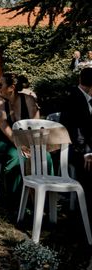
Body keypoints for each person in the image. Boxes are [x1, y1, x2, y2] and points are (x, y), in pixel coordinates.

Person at [0, 73, 45, 201]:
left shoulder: (28, 100)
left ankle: (42, 196)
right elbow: (5, 127)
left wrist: (32, 145)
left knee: (45, 156)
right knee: (18, 157)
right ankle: (16, 198)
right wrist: (21, 145)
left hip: (24, 140)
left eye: (0, 85)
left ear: (11, 87)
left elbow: (36, 124)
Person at [59, 67, 92, 197]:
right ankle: (84, 205)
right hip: (74, 147)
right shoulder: (73, 98)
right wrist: (87, 152)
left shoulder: (86, 97)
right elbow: (78, 132)